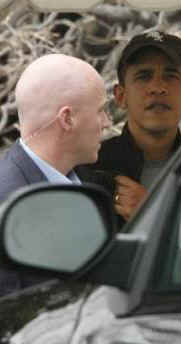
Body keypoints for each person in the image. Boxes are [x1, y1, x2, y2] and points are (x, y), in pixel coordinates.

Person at [0, 53, 111, 296]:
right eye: (101, 110)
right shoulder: (7, 203)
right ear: (67, 119)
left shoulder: (89, 178)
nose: (107, 123)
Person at [77, 31, 181, 228]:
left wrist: (152, 212)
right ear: (121, 96)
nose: (157, 88)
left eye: (170, 76)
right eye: (143, 76)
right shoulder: (89, 170)